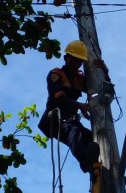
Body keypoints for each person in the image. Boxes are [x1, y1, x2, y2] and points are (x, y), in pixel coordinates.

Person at [38, 40, 107, 173]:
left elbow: (100, 87)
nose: (77, 64)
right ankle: (86, 163)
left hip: (70, 120)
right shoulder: (56, 74)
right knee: (74, 133)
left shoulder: (79, 78)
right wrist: (78, 105)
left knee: (94, 138)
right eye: (75, 60)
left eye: (80, 62)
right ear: (67, 58)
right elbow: (58, 97)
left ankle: (107, 173)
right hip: (54, 120)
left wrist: (104, 71)